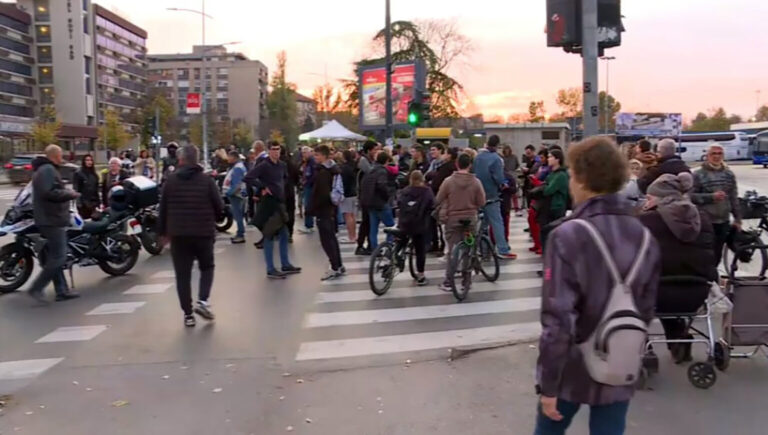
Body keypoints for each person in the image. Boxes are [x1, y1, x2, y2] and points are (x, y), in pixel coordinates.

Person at [535, 137, 661, 435]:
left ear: (581, 178)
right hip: (620, 359)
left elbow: (558, 318)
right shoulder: (644, 236)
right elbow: (645, 309)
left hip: (572, 366)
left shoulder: (568, 235)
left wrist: (547, 383)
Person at [640, 173, 717, 363]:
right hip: (697, 292)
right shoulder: (703, 218)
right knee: (673, 280)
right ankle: (678, 340)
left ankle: (645, 351)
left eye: (649, 197)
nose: (646, 201)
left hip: (658, 293)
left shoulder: (647, 221)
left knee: (642, 288)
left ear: (659, 198)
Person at [158, 145, 224, 327]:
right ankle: (203, 301)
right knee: (207, 267)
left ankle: (188, 314)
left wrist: (162, 233)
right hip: (203, 233)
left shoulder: (170, 182)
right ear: (197, 159)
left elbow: (162, 209)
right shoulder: (207, 181)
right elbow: (219, 208)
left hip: (179, 235)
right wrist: (216, 219)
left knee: (183, 275)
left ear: (180, 160)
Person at [26, 145, 81, 303]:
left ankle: (61, 291)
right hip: (51, 219)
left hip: (50, 218)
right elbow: (49, 192)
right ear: (54, 155)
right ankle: (37, 287)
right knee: (59, 256)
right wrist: (69, 194)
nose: (61, 158)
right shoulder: (47, 170)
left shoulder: (43, 169)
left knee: (55, 256)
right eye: (60, 155)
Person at [245, 141, 302, 279]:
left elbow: (284, 180)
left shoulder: (282, 165)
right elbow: (248, 178)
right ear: (269, 151)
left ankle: (285, 263)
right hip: (269, 204)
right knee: (269, 234)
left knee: (284, 233)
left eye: (278, 149)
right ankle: (270, 268)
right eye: (273, 149)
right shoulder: (264, 165)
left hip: (280, 202)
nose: (276, 152)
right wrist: (263, 187)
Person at [435, 154, 485, 292]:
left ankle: (448, 282)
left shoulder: (448, 181)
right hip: (470, 220)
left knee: (452, 251)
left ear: (457, 164)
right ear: (470, 165)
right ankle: (466, 282)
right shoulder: (476, 182)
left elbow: (438, 199)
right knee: (468, 251)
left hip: (453, 220)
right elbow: (482, 202)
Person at [690, 143, 741, 265]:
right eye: (713, 153)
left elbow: (734, 197)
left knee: (717, 254)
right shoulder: (698, 174)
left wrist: (738, 218)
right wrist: (711, 197)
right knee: (705, 255)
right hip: (705, 222)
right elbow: (690, 197)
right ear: (707, 156)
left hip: (723, 221)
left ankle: (713, 280)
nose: (717, 156)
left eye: (720, 153)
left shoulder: (729, 174)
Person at [472, 134, 517, 259]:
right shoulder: (496, 159)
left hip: (479, 194)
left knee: (483, 224)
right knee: (497, 222)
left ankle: (484, 250)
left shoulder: (478, 157)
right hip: (492, 194)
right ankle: (502, 249)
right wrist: (503, 184)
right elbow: (498, 177)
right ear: (497, 145)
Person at [308, 145, 345, 280]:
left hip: (323, 210)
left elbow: (321, 194)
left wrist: (312, 208)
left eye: (317, 155)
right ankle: (339, 265)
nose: (315, 157)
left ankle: (335, 267)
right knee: (332, 238)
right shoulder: (332, 170)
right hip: (330, 209)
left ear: (324, 156)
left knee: (327, 240)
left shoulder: (323, 173)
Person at [397, 170, 435, 286]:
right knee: (420, 250)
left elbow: (398, 203)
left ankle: (394, 256)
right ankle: (421, 275)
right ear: (422, 179)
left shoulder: (404, 191)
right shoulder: (427, 191)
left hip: (404, 223)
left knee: (401, 240)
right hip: (419, 224)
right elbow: (433, 204)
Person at [360, 151, 396, 251]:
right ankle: (390, 246)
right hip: (380, 203)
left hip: (370, 203)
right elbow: (382, 185)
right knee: (391, 227)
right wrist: (387, 195)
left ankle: (374, 249)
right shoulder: (382, 171)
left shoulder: (371, 170)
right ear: (386, 161)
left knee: (373, 228)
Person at [538, 149, 569, 255]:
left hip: (557, 207)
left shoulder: (561, 175)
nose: (548, 159)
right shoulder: (552, 173)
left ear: (557, 159)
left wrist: (543, 186)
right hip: (549, 207)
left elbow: (548, 190)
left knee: (552, 235)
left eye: (551, 157)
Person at [355, 141, 378, 255]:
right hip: (365, 196)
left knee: (368, 222)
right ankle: (360, 245)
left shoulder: (369, 160)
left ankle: (369, 245)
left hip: (368, 196)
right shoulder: (364, 161)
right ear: (369, 150)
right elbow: (371, 173)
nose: (376, 152)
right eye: (374, 150)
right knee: (366, 222)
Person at [223, 150, 247, 244]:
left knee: (238, 215)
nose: (228, 159)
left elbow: (237, 185)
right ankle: (239, 233)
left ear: (234, 157)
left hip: (236, 195)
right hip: (240, 194)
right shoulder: (240, 166)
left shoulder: (237, 168)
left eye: (229, 157)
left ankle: (240, 235)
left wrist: (229, 193)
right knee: (239, 215)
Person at [281, 146, 301, 244]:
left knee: (280, 212)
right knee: (290, 211)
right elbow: (297, 175)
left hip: (279, 191)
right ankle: (290, 233)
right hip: (290, 190)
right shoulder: (291, 163)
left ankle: (282, 232)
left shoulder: (276, 164)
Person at [339, 149, 358, 244]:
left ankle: (351, 237)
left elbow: (344, 182)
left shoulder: (344, 168)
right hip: (353, 192)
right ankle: (354, 235)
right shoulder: (353, 166)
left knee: (347, 215)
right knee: (352, 215)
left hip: (347, 194)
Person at [72, 154, 100, 219]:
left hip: (93, 203)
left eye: (91, 160)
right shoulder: (78, 173)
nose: (89, 162)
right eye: (87, 160)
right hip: (83, 203)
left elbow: (96, 190)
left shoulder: (94, 175)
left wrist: (98, 203)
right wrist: (79, 203)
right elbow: (76, 188)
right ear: (84, 161)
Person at [298, 146, 316, 234]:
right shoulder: (306, 162)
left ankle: (309, 225)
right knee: (307, 204)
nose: (303, 154)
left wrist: (307, 182)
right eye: (302, 153)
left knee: (308, 205)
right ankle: (308, 224)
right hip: (307, 186)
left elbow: (313, 175)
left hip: (310, 186)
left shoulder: (312, 162)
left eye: (305, 152)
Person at [501, 145, 522, 218]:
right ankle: (507, 209)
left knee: (514, 193)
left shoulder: (514, 157)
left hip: (513, 176)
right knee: (506, 193)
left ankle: (517, 208)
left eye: (508, 150)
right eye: (505, 150)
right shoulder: (502, 158)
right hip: (505, 176)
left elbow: (517, 165)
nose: (507, 151)